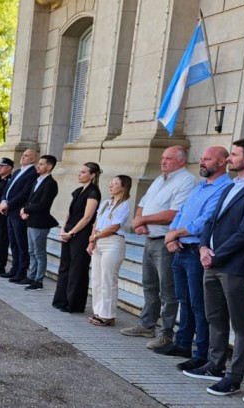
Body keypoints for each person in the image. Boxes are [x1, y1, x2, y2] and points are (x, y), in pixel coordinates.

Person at [185, 137, 244, 397]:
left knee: (241, 325)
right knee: (215, 317)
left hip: (236, 267)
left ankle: (233, 378)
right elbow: (211, 221)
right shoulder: (231, 186)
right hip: (211, 263)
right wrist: (203, 247)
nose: (230, 158)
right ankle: (215, 365)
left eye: (234, 154)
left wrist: (216, 255)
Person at [161, 147, 231, 369]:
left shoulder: (225, 188)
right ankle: (182, 343)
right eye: (201, 158)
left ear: (222, 162)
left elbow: (206, 220)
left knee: (199, 304)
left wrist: (176, 234)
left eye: (207, 159)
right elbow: (181, 213)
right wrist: (171, 237)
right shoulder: (200, 186)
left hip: (196, 250)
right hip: (181, 249)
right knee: (184, 300)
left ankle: (202, 353)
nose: (202, 162)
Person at [121, 146, 196, 348]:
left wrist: (143, 220)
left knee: (167, 290)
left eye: (168, 158)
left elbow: (174, 214)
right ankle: (147, 325)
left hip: (166, 242)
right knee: (149, 285)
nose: (163, 161)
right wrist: (139, 221)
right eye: (163, 157)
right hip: (149, 239)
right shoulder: (159, 179)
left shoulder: (186, 180)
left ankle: (166, 333)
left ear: (181, 160)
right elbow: (142, 204)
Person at [52, 162, 101, 312]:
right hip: (69, 231)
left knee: (77, 269)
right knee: (65, 266)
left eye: (84, 172)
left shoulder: (93, 192)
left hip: (81, 234)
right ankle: (61, 300)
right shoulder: (78, 191)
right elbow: (69, 212)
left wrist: (72, 232)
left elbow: (87, 217)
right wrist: (63, 228)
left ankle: (74, 304)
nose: (79, 174)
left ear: (92, 175)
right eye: (80, 171)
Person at [88, 175, 132, 326]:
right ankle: (98, 311)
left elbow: (114, 227)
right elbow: (96, 223)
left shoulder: (124, 205)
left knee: (108, 279)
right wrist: (92, 240)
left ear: (123, 187)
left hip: (113, 242)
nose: (111, 186)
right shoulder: (106, 203)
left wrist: (95, 236)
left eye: (115, 184)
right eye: (111, 183)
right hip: (98, 241)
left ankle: (107, 315)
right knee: (97, 278)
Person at [0, 148, 39, 283]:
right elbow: (7, 189)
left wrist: (8, 204)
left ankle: (21, 271)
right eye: (23, 155)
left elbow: (24, 193)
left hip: (18, 212)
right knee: (13, 242)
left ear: (33, 159)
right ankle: (14, 269)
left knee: (21, 243)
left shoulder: (33, 173)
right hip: (9, 211)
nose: (22, 157)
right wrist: (4, 201)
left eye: (26, 156)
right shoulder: (17, 172)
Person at [19, 154, 58, 290]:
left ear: (49, 167)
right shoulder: (37, 180)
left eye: (41, 164)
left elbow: (43, 204)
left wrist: (25, 209)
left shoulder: (51, 183)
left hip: (41, 222)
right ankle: (31, 276)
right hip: (31, 220)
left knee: (39, 252)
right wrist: (24, 211)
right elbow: (30, 199)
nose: (38, 166)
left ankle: (38, 280)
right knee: (31, 251)